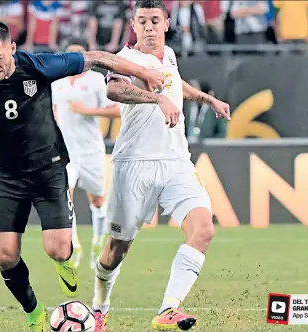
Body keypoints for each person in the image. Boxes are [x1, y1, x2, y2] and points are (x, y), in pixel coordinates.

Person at [0, 20, 173, 332]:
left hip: (48, 167)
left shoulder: (39, 66)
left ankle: (65, 260)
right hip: (3, 173)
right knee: (5, 255)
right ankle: (34, 313)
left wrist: (144, 73)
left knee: (58, 249)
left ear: (12, 48)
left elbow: (98, 57)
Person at [89, 1, 231, 331]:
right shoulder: (125, 59)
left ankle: (168, 309)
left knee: (203, 229)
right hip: (134, 165)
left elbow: (174, 83)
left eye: (155, 20)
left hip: (175, 161)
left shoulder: (168, 55)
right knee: (116, 250)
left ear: (167, 23)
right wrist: (156, 98)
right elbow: (114, 89)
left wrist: (207, 99)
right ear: (134, 26)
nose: (149, 27)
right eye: (143, 21)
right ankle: (100, 305)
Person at [51, 42, 121, 270]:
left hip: (90, 150)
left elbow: (117, 110)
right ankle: (73, 246)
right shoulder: (57, 83)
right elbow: (51, 111)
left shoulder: (96, 81)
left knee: (97, 200)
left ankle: (96, 242)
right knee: (64, 196)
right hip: (65, 152)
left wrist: (88, 110)